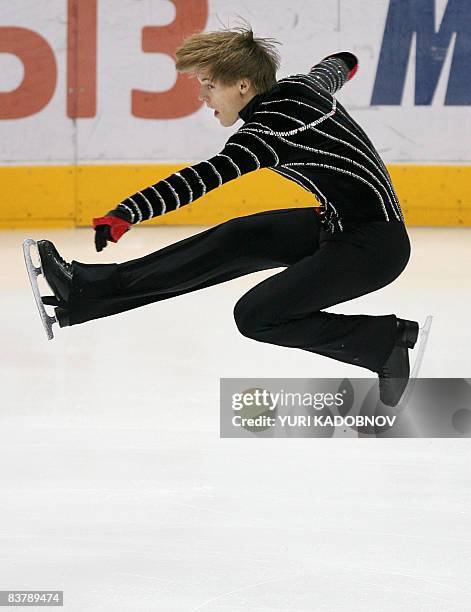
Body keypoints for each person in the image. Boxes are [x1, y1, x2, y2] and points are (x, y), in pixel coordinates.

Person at [33, 24, 420, 407]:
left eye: (209, 85)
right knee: (236, 239)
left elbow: (200, 179)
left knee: (255, 315)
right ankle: (85, 291)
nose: (202, 96)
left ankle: (382, 344)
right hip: (336, 224)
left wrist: (128, 212)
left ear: (243, 86)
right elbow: (332, 70)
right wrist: (346, 62)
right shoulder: (302, 87)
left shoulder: (267, 131)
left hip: (373, 247)